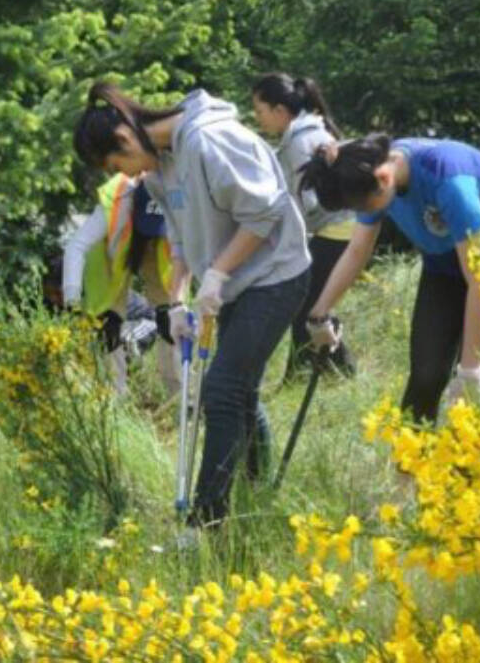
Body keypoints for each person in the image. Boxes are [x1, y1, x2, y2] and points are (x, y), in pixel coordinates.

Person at [74, 82, 310, 527]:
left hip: (277, 274)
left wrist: (217, 272)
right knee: (240, 391)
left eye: (116, 163)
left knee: (219, 390)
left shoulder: (211, 139)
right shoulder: (159, 168)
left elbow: (265, 212)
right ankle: (259, 492)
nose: (124, 174)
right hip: (234, 283)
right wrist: (177, 301)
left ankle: (206, 521)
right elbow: (178, 236)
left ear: (125, 139)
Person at [298, 135, 480, 425]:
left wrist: (470, 371)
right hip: (443, 264)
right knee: (426, 375)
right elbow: (358, 250)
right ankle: (408, 469)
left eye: (369, 207)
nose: (368, 214)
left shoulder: (449, 182)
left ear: (384, 178)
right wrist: (321, 313)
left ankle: (468, 467)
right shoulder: (366, 172)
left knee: (475, 380)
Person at [251, 73, 357, 379]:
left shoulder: (299, 142)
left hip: (338, 228)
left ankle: (301, 376)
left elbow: (305, 203)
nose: (259, 120)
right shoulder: (303, 135)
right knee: (311, 304)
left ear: (280, 111)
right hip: (339, 227)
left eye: (260, 111)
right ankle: (334, 371)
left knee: (306, 306)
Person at [61, 173, 179, 396]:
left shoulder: (179, 200)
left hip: (161, 252)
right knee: (108, 328)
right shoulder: (115, 204)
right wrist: (72, 299)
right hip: (110, 259)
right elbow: (75, 247)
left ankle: (183, 400)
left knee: (170, 323)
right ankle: (116, 401)